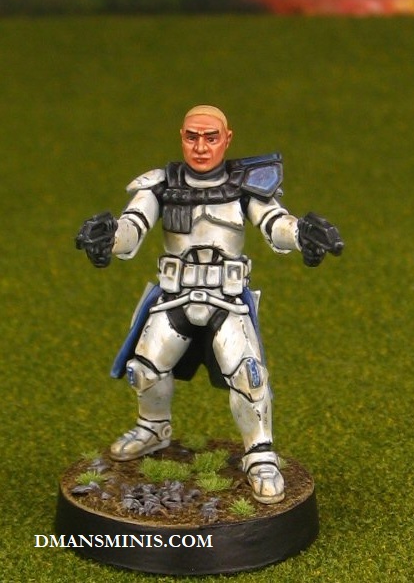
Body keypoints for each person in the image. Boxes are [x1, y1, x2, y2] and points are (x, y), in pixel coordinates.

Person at [76, 105, 342, 503]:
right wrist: (109, 237)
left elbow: (275, 223)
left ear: (227, 139)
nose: (201, 147)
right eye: (192, 137)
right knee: (144, 369)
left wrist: (302, 234)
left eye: (211, 137)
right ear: (181, 138)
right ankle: (153, 427)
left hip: (226, 298)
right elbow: (132, 227)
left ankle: (259, 453)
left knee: (248, 375)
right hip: (175, 295)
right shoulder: (160, 186)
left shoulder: (245, 187)